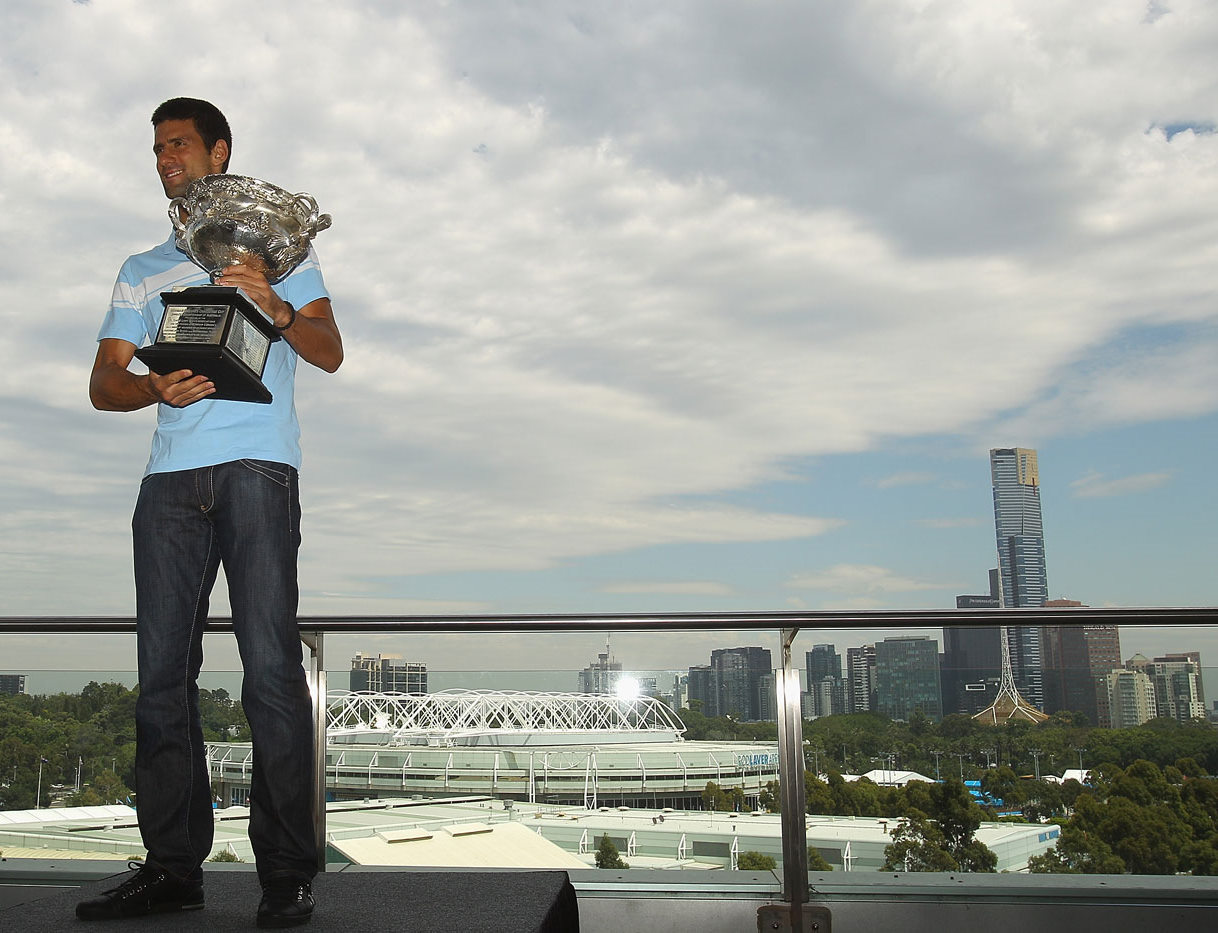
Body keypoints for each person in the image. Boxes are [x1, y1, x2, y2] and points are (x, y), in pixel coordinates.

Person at [77, 97, 343, 928]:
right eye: (157, 149)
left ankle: (286, 875)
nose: (167, 160)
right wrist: (151, 387)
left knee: (270, 672)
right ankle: (172, 869)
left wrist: (277, 303)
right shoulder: (141, 267)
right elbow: (104, 384)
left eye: (180, 145)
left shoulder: (279, 252)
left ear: (219, 151)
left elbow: (331, 351)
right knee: (162, 677)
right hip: (169, 483)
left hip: (259, 470)